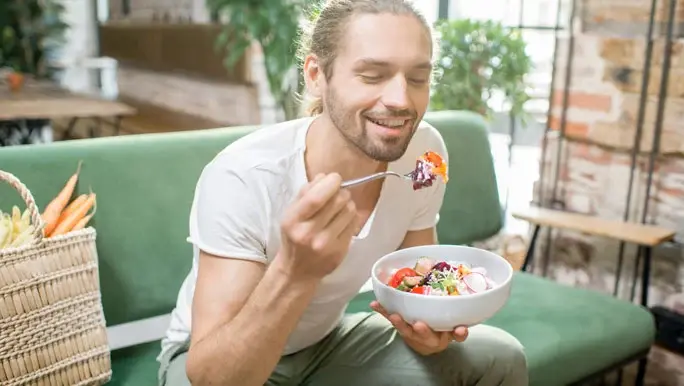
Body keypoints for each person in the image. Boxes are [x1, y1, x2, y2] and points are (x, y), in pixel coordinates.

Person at [157, 0, 528, 385]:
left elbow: (419, 285)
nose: (402, 100)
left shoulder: (423, 155)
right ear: (317, 75)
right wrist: (294, 271)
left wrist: (427, 331)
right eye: (372, 75)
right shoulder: (245, 176)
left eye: (418, 78)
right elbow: (213, 378)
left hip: (324, 344)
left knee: (501, 358)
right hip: (212, 362)